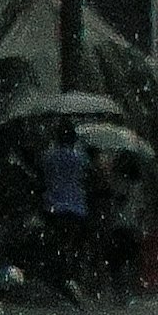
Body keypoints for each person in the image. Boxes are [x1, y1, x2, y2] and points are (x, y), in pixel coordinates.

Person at [39, 120, 94, 302]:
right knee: (76, 245)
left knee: (57, 245)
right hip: (77, 208)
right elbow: (87, 176)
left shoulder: (49, 157)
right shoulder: (80, 158)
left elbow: (44, 176)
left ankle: (61, 277)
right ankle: (74, 277)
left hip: (54, 208)